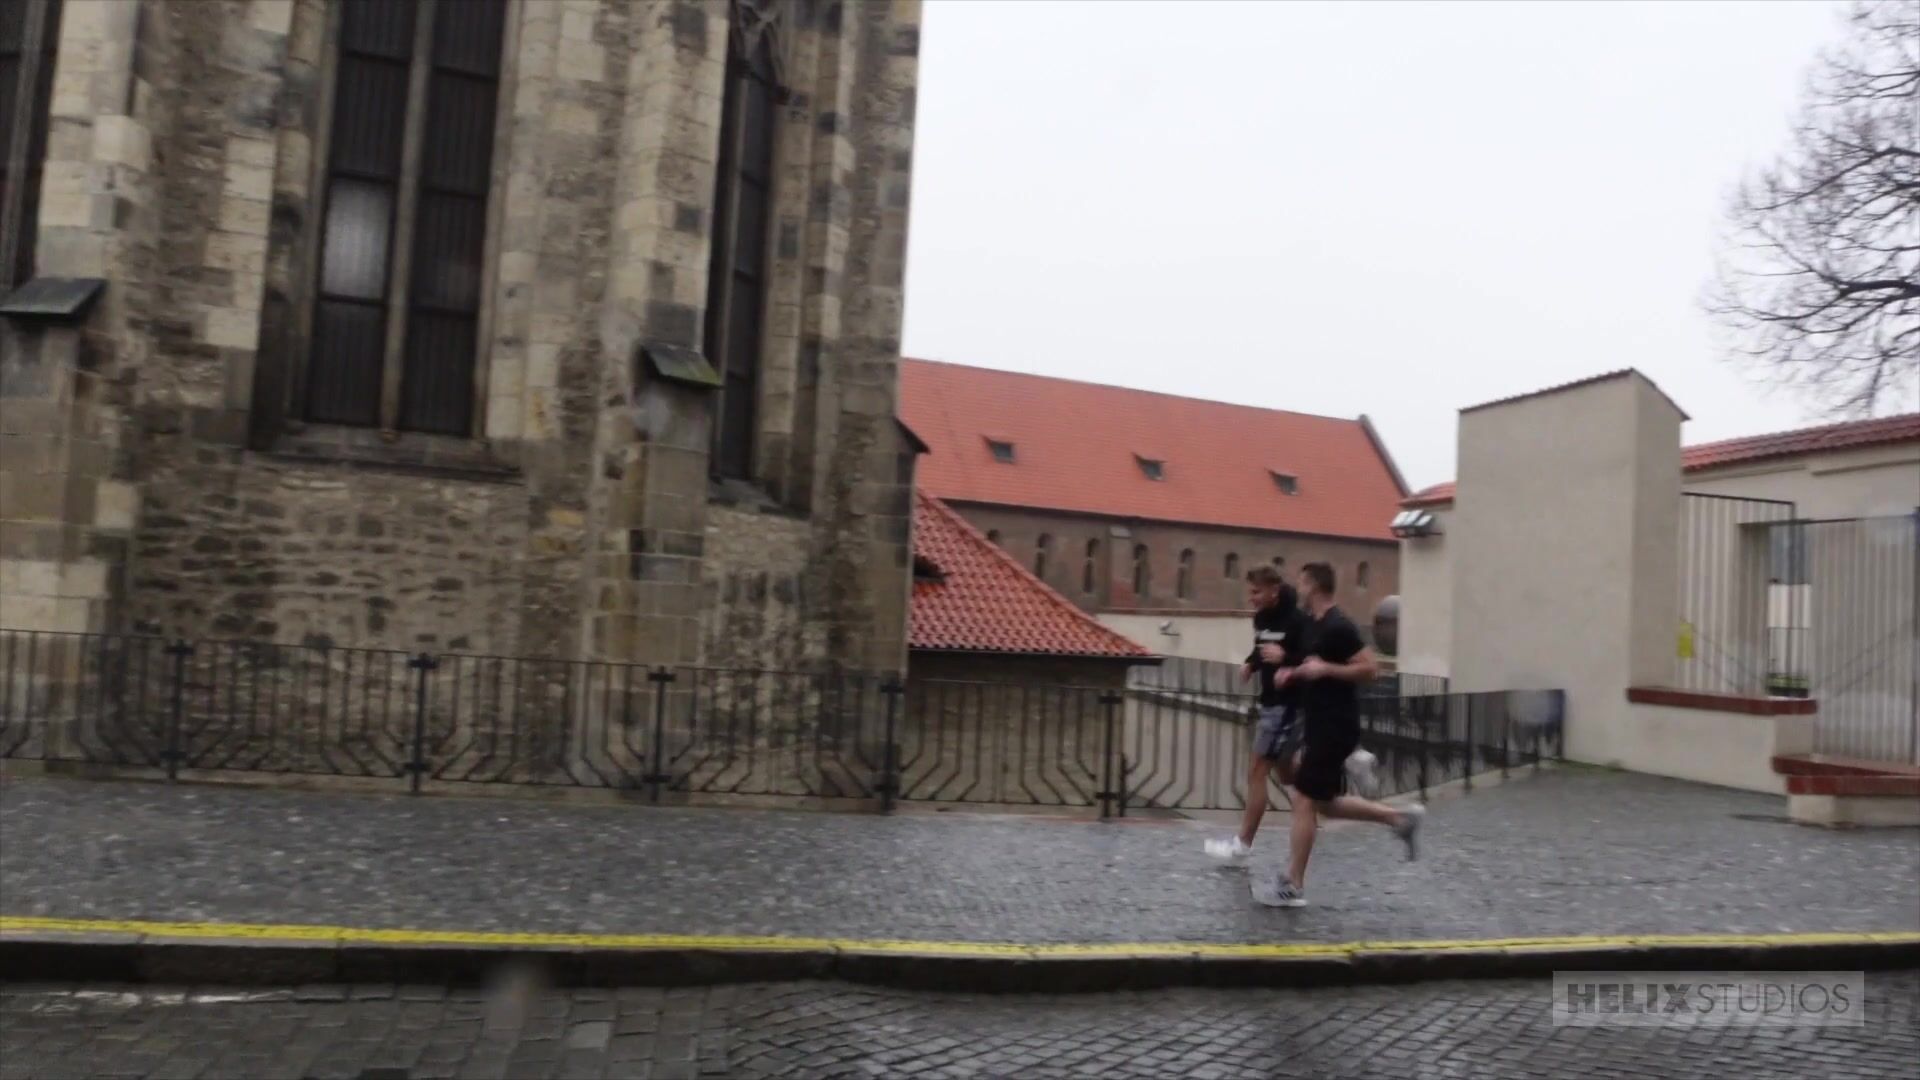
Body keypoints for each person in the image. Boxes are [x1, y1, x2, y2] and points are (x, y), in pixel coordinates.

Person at [1262, 561, 1423, 907]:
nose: (1299, 589)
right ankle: (1399, 818)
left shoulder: (1340, 625)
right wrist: (1291, 671)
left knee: (1304, 799)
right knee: (1325, 804)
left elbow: (1371, 668)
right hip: (1317, 722)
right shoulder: (1313, 625)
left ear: (1314, 585)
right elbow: (1311, 663)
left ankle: (1293, 883)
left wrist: (1326, 669)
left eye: (1302, 583)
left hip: (1335, 725)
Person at [1204, 566, 1311, 863]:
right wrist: (1250, 664)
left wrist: (1286, 659)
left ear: (1273, 591)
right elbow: (1260, 649)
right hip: (1270, 701)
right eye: (1250, 592)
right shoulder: (1261, 618)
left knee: (1257, 770)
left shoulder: (1297, 620)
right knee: (1284, 769)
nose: (1251, 598)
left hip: (1288, 704)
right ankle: (1310, 804)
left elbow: (1310, 658)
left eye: (1256, 592)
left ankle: (1242, 844)